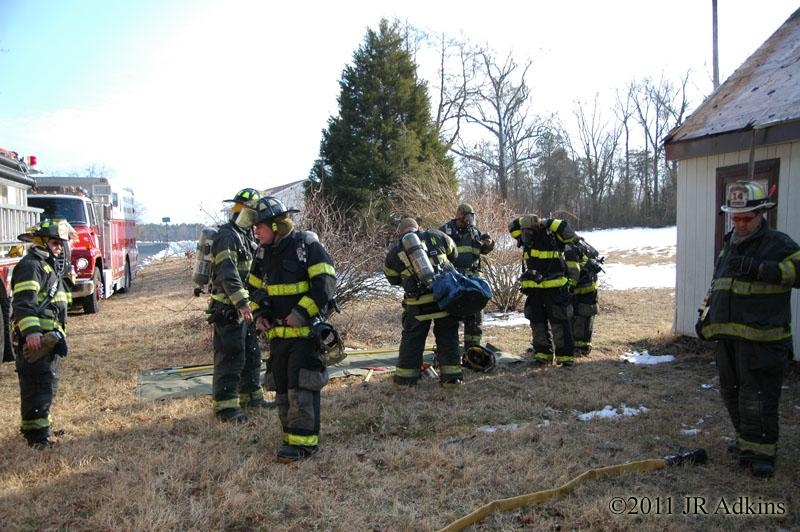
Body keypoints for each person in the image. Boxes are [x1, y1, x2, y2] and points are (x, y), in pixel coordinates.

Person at [696, 180, 800, 478]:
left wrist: (762, 269)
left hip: (763, 340)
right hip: (730, 337)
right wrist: (705, 317)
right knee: (733, 394)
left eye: (746, 219)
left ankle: (762, 453)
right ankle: (746, 443)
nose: (740, 224)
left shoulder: (778, 244)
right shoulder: (730, 244)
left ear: (761, 214)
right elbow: (718, 286)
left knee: (758, 395)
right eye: (736, 218)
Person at [248, 196, 336, 463]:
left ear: (276, 225)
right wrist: (260, 314)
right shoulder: (262, 253)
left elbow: (325, 283)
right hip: (278, 338)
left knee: (302, 387)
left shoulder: (306, 246)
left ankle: (304, 444)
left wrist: (301, 313)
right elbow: (253, 288)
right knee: (283, 388)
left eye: (260, 226)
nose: (256, 231)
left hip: (306, 336)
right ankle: (291, 437)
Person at [207, 187, 270, 424]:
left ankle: (252, 398)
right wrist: (242, 302)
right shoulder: (227, 236)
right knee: (230, 357)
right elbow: (228, 272)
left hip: (245, 309)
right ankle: (225, 408)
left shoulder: (246, 235)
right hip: (229, 309)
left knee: (251, 354)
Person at [11, 219, 74, 449]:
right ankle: (37, 438)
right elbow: (23, 303)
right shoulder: (31, 266)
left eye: (61, 244)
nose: (59, 248)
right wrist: (32, 332)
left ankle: (41, 428)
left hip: (49, 340)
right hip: (37, 341)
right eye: (56, 243)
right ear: (41, 241)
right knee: (37, 387)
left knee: (47, 385)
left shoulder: (46, 266)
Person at [384, 217, 463, 387]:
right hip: (443, 300)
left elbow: (392, 278)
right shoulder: (437, 235)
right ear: (418, 227)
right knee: (448, 338)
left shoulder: (394, 251)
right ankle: (451, 379)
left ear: (400, 232)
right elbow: (454, 254)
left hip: (417, 304)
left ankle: (405, 381)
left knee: (412, 341)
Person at [509, 214, 576, 367]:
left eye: (529, 230)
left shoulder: (552, 236)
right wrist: (525, 220)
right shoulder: (524, 238)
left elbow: (567, 231)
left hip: (555, 288)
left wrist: (545, 222)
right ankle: (542, 355)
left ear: (537, 228)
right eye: (523, 231)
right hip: (534, 290)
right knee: (537, 322)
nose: (525, 234)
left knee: (559, 322)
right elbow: (512, 227)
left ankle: (565, 358)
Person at [439, 203, 494, 350]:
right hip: (454, 281)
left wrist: (489, 244)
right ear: (459, 216)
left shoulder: (474, 232)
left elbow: (483, 250)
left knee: (475, 316)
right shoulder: (445, 231)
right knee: (450, 317)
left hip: (473, 280)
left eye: (472, 217)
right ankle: (449, 351)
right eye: (467, 217)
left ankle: (473, 349)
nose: (470, 220)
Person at [564, 237, 602, 356]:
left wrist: (568, 288)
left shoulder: (568, 248)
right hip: (589, 285)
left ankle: (581, 348)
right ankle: (581, 346)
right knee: (583, 317)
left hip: (583, 287)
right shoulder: (577, 244)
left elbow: (574, 272)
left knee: (581, 317)